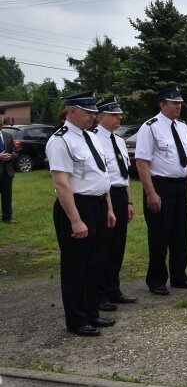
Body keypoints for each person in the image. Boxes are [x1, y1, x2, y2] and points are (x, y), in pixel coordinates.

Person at [45, 91, 116, 336]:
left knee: (94, 263)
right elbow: (61, 183)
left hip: (97, 204)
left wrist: (108, 207)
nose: (93, 116)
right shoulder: (61, 140)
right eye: (88, 112)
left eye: (94, 112)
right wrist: (75, 220)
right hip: (75, 207)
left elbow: (101, 174)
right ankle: (76, 320)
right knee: (76, 265)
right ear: (73, 111)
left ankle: (91, 312)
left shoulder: (91, 137)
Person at [134, 87, 187, 295]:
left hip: (180, 185)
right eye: (174, 103)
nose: (178, 106)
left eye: (180, 103)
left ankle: (179, 276)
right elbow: (142, 163)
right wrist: (151, 192)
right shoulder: (150, 127)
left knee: (181, 234)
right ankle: (156, 279)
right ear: (162, 105)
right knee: (159, 235)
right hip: (160, 186)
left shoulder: (181, 127)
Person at [94, 97, 137, 308]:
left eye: (119, 114)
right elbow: (103, 175)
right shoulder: (93, 139)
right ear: (100, 117)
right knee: (103, 245)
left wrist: (129, 202)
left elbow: (124, 174)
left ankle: (114, 289)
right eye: (114, 114)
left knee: (118, 245)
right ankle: (99, 294)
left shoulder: (119, 140)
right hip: (105, 195)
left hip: (120, 194)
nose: (119, 117)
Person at [0, 122, 17, 224]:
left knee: (7, 196)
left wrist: (11, 156)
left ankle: (7, 217)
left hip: (7, 171)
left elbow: (15, 151)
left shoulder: (8, 136)